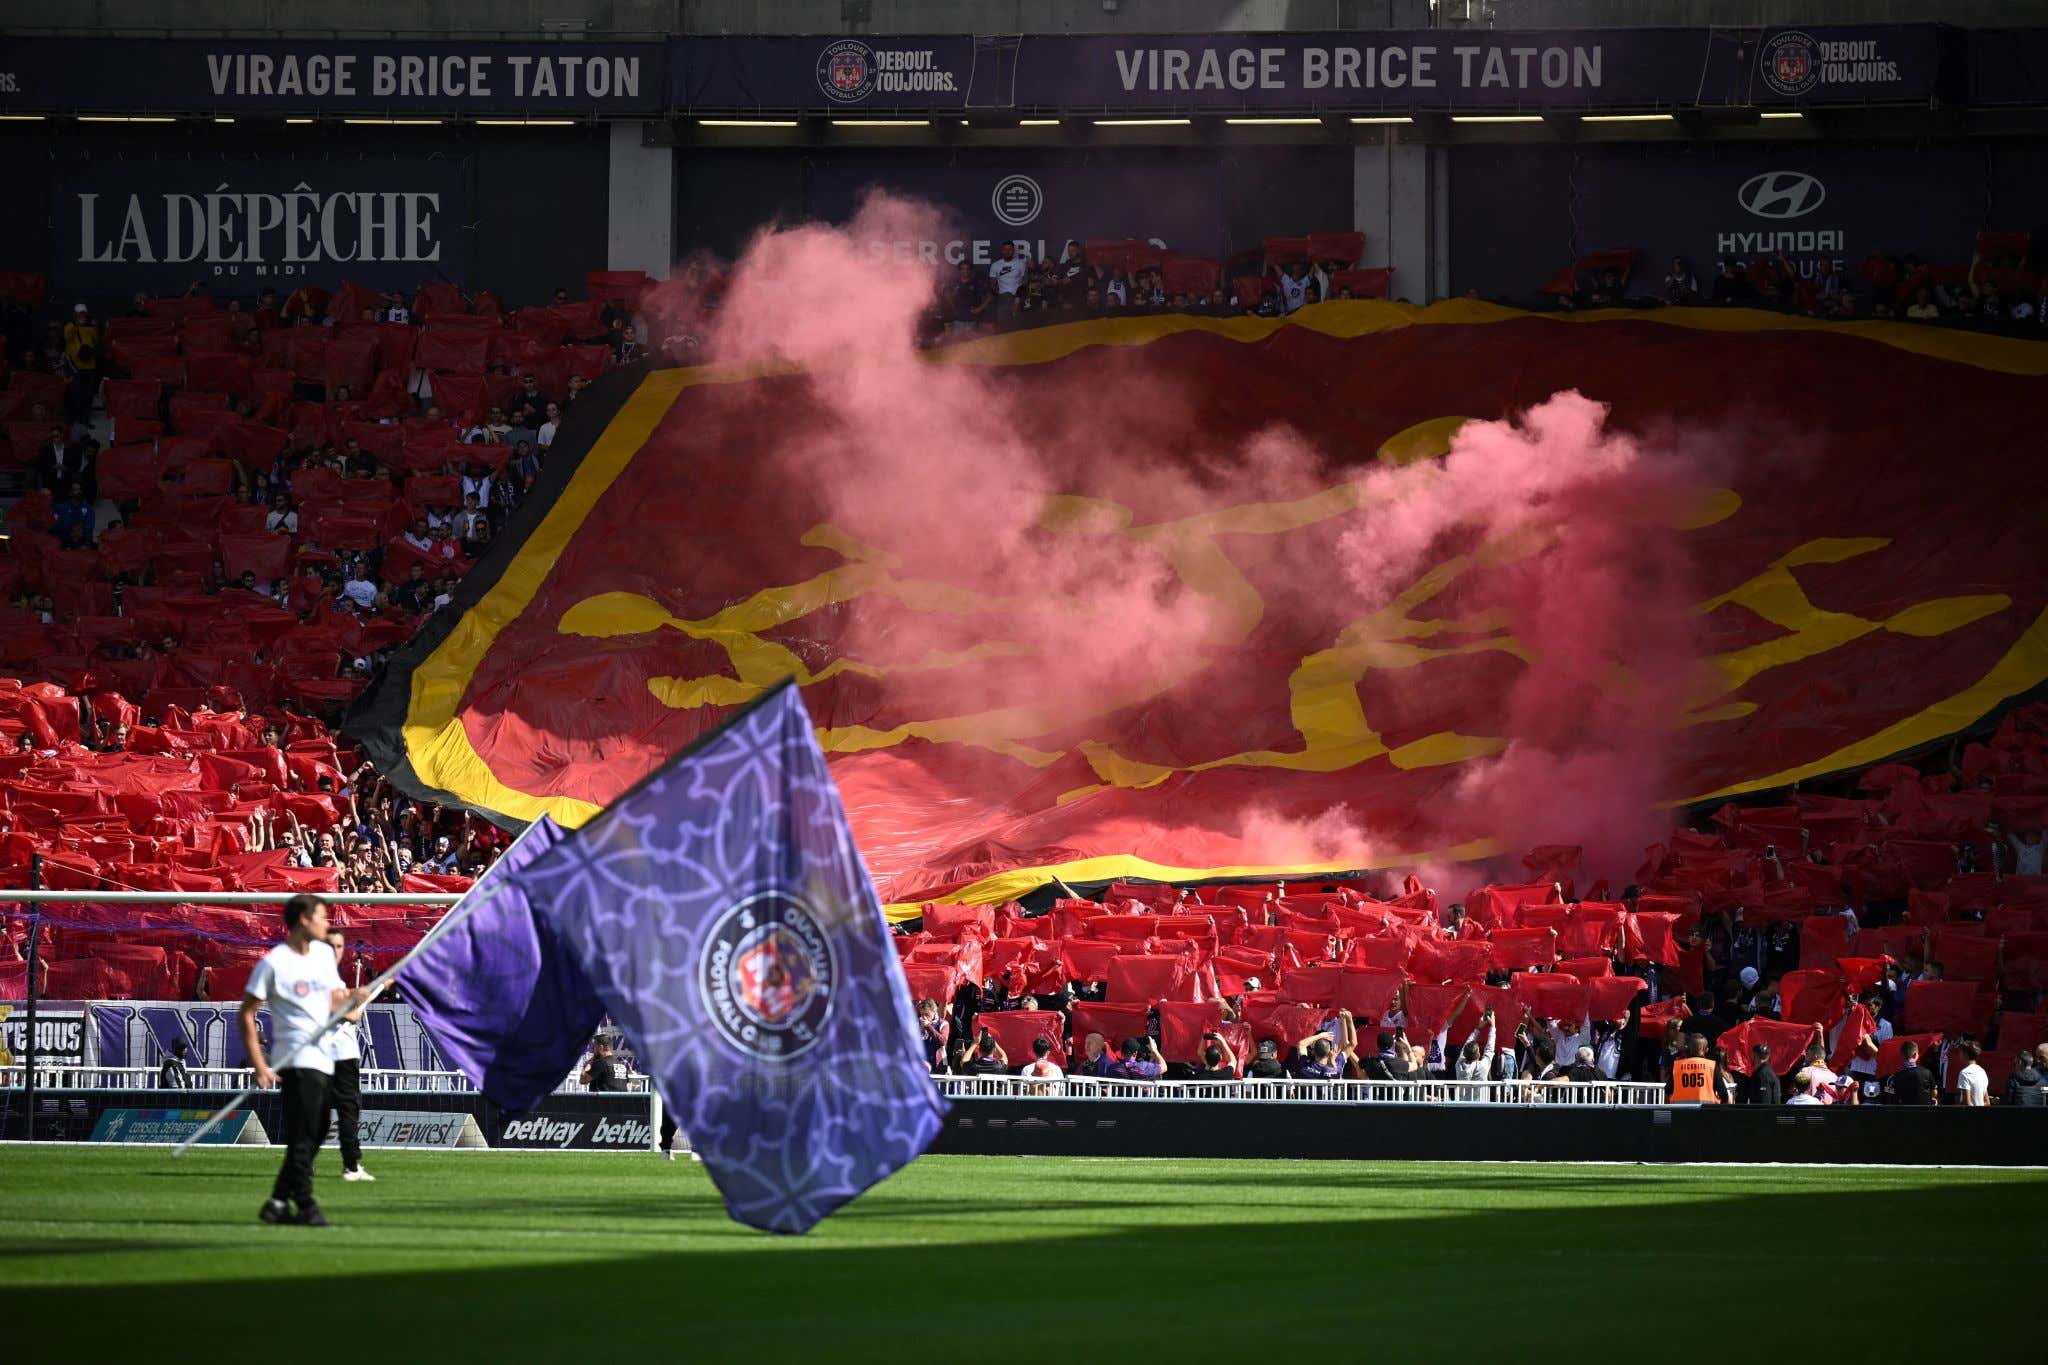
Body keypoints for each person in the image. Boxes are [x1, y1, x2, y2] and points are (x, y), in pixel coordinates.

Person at [243, 894, 369, 1226]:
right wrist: (260, 1064)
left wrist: (352, 998)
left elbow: (333, 1002)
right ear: (303, 919)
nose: (327, 923)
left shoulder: (324, 956)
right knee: (305, 1133)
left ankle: (277, 1203)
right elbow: (247, 1013)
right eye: (322, 917)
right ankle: (306, 1203)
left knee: (317, 1130)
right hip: (295, 1057)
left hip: (325, 1056)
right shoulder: (274, 963)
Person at [323, 927, 373, 1182]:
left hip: (344, 1054)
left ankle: (351, 1164)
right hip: (324, 1055)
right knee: (317, 1113)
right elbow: (347, 1013)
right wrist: (359, 1003)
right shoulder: (315, 977)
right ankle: (304, 1162)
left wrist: (358, 998)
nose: (335, 951)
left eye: (339, 946)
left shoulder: (335, 980)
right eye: (330, 945)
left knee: (349, 1110)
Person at [1882, 1040, 1938, 1105]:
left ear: (1902, 1056)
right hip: (1923, 1112)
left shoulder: (1894, 1077)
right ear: (1915, 1055)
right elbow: (1934, 1093)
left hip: (1903, 1112)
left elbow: (1889, 1094)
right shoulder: (1927, 1073)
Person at [1667, 1033, 1719, 1103]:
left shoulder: (1677, 1065)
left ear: (1687, 1048)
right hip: (1706, 1111)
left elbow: (1668, 1090)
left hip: (1680, 1111)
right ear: (1706, 1050)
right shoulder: (1712, 1066)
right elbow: (1723, 1093)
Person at [1954, 1042, 1989, 1107]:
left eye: (1961, 1052)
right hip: (1982, 1116)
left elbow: (1966, 1103)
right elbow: (1987, 1102)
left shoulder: (1964, 1073)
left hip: (1969, 1116)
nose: (1959, 1055)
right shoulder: (1982, 1071)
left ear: (1965, 1054)